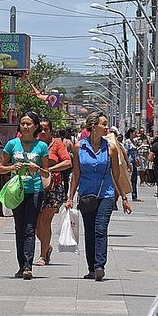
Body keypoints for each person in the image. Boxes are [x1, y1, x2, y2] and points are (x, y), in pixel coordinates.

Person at [66, 112, 131, 281]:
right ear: (93, 126)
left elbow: (117, 175)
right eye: (103, 124)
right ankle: (91, 268)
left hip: (106, 194)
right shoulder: (79, 147)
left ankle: (99, 265)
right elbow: (76, 174)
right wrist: (70, 197)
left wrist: (123, 198)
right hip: (86, 194)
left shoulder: (111, 148)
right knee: (89, 231)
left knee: (100, 229)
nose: (106, 127)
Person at [0, 111, 50, 280]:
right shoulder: (12, 144)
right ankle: (21, 265)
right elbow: (0, 168)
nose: (25, 126)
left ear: (35, 127)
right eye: (23, 123)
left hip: (35, 190)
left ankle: (28, 266)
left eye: (28, 124)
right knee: (19, 228)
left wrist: (38, 169)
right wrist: (12, 168)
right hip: (17, 191)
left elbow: (47, 173)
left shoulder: (41, 147)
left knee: (29, 227)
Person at [35, 118, 71, 266]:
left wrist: (50, 169)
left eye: (46, 129)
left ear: (51, 130)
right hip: (35, 186)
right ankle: (47, 245)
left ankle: (42, 255)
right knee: (35, 224)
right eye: (41, 128)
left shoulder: (56, 144)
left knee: (45, 221)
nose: (43, 131)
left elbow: (68, 161)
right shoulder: (33, 143)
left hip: (52, 187)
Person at [104, 126, 133, 209]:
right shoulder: (107, 142)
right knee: (114, 185)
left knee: (115, 184)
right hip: (109, 167)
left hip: (115, 167)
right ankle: (114, 201)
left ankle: (114, 201)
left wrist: (128, 164)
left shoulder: (117, 144)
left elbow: (124, 154)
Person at [124, 128, 140, 202]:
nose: (135, 134)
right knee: (130, 179)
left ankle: (134, 195)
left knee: (134, 179)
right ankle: (124, 194)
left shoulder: (133, 141)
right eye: (134, 133)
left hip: (134, 162)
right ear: (130, 133)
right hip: (129, 162)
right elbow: (126, 152)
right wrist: (127, 163)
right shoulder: (127, 141)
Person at [60, 127, 74, 199]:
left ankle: (60, 193)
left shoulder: (58, 142)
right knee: (66, 179)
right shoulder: (68, 141)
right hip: (66, 162)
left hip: (59, 162)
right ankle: (65, 194)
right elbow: (73, 150)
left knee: (59, 179)